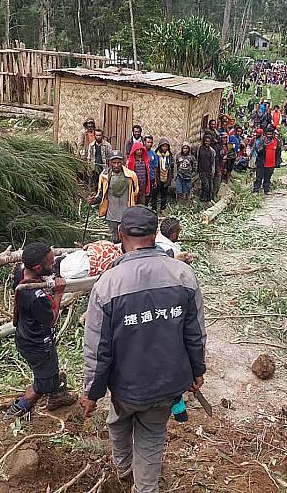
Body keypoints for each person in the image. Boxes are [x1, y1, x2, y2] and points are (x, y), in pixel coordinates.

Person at [81, 206, 206, 493]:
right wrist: (197, 370)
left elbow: (98, 349)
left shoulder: (107, 285)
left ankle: (126, 470)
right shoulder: (184, 275)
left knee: (120, 420)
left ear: (121, 234)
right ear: (156, 235)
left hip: (126, 386)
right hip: (167, 384)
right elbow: (195, 332)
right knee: (149, 434)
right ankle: (137, 480)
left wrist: (92, 392)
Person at [5, 242, 77, 418]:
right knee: (43, 382)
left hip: (28, 337)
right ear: (38, 267)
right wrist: (59, 293)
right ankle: (17, 410)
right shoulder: (35, 296)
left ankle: (57, 396)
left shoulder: (21, 271)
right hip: (37, 345)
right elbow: (51, 320)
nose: (53, 266)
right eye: (50, 264)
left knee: (52, 370)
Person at [88, 150, 139, 243]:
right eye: (114, 163)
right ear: (109, 163)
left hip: (126, 214)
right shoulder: (104, 176)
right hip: (111, 215)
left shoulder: (131, 176)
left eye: (119, 163)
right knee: (114, 240)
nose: (116, 165)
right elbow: (101, 195)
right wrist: (93, 201)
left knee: (126, 239)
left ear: (123, 162)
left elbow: (135, 193)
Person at [252, 126, 281, 195]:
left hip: (271, 163)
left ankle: (266, 190)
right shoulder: (261, 140)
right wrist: (263, 146)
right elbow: (257, 150)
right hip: (261, 163)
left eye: (270, 134)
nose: (269, 135)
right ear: (265, 134)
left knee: (268, 178)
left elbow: (278, 153)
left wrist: (277, 162)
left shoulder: (277, 141)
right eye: (268, 134)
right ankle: (256, 190)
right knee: (259, 177)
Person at [154, 138, 174, 214]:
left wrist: (171, 177)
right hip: (158, 177)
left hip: (166, 177)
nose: (165, 148)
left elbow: (172, 167)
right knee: (155, 193)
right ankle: (154, 208)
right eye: (163, 146)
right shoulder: (156, 155)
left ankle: (163, 208)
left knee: (164, 194)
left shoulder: (169, 156)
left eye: (166, 146)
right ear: (160, 147)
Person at [197, 135, 216, 203]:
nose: (207, 143)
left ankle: (204, 199)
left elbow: (213, 162)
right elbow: (197, 158)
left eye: (208, 141)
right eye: (206, 141)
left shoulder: (212, 151)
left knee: (207, 186)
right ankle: (204, 199)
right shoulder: (200, 149)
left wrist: (213, 171)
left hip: (209, 170)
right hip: (201, 170)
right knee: (206, 185)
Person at [144, 135, 159, 208]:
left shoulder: (154, 154)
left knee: (151, 195)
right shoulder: (141, 152)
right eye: (148, 142)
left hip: (151, 178)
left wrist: (155, 180)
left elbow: (155, 168)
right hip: (143, 178)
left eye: (151, 142)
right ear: (144, 142)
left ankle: (151, 209)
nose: (150, 144)